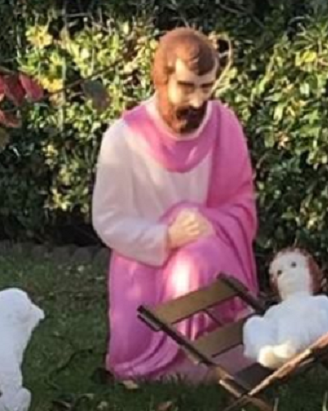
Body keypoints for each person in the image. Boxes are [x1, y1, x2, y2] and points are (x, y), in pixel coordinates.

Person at [91, 27, 258, 383]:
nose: (197, 101)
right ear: (161, 79)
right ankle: (174, 359)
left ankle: (209, 351)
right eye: (186, 87)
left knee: (200, 258)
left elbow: (242, 202)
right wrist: (166, 237)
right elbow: (107, 219)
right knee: (188, 267)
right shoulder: (124, 138)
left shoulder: (225, 125)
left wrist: (213, 224)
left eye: (206, 87)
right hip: (145, 272)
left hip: (212, 255)